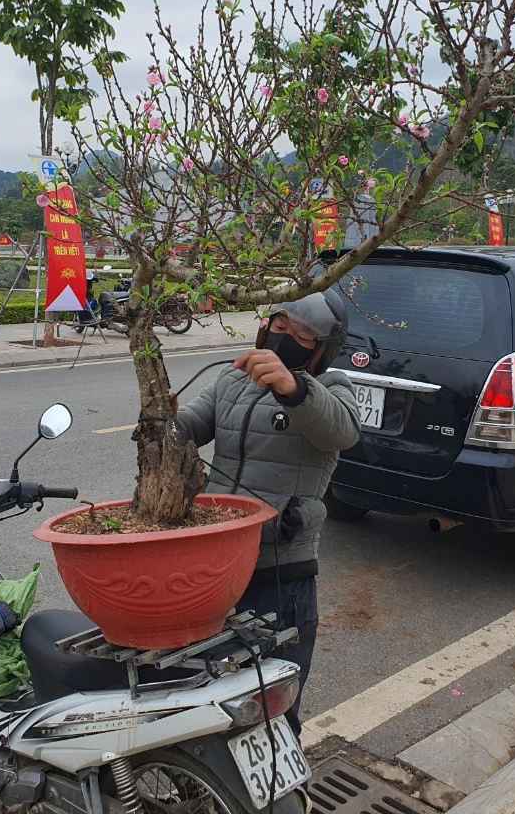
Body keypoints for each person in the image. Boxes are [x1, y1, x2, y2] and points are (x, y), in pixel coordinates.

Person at [171, 292, 359, 734]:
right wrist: (163, 418)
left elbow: (342, 432)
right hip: (215, 562)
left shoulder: (332, 389)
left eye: (303, 336)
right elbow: (190, 426)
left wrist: (294, 389)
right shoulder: (231, 381)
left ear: (322, 350)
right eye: (280, 326)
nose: (287, 338)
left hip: (280, 570)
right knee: (208, 695)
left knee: (272, 701)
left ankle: (286, 797)